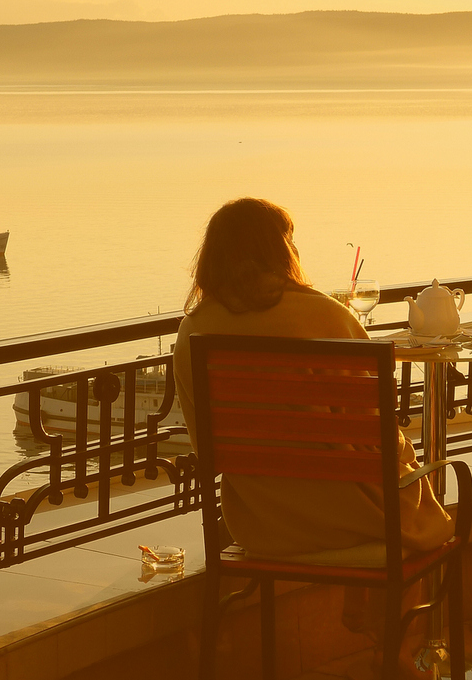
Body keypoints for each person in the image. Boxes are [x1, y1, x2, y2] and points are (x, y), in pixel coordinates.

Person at [172, 197, 453, 675]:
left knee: (386, 487)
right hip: (352, 522)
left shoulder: (193, 332)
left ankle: (378, 637)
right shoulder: (328, 317)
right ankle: (395, 653)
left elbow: (204, 447)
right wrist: (407, 457)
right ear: (280, 250)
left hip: (260, 524)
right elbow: (379, 438)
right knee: (413, 494)